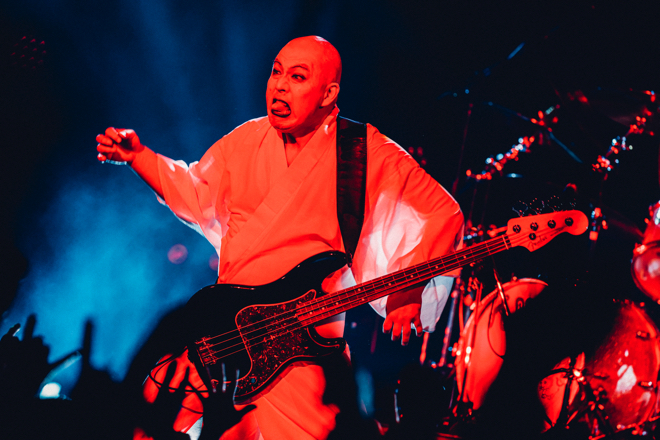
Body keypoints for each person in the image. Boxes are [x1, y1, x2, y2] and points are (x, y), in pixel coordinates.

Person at [96, 36, 463, 440]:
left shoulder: (360, 150)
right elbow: (195, 193)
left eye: (298, 77)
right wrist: (139, 157)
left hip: (302, 348)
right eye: (276, 72)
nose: (280, 86)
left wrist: (406, 291)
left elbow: (440, 213)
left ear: (328, 94)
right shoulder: (246, 141)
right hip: (228, 337)